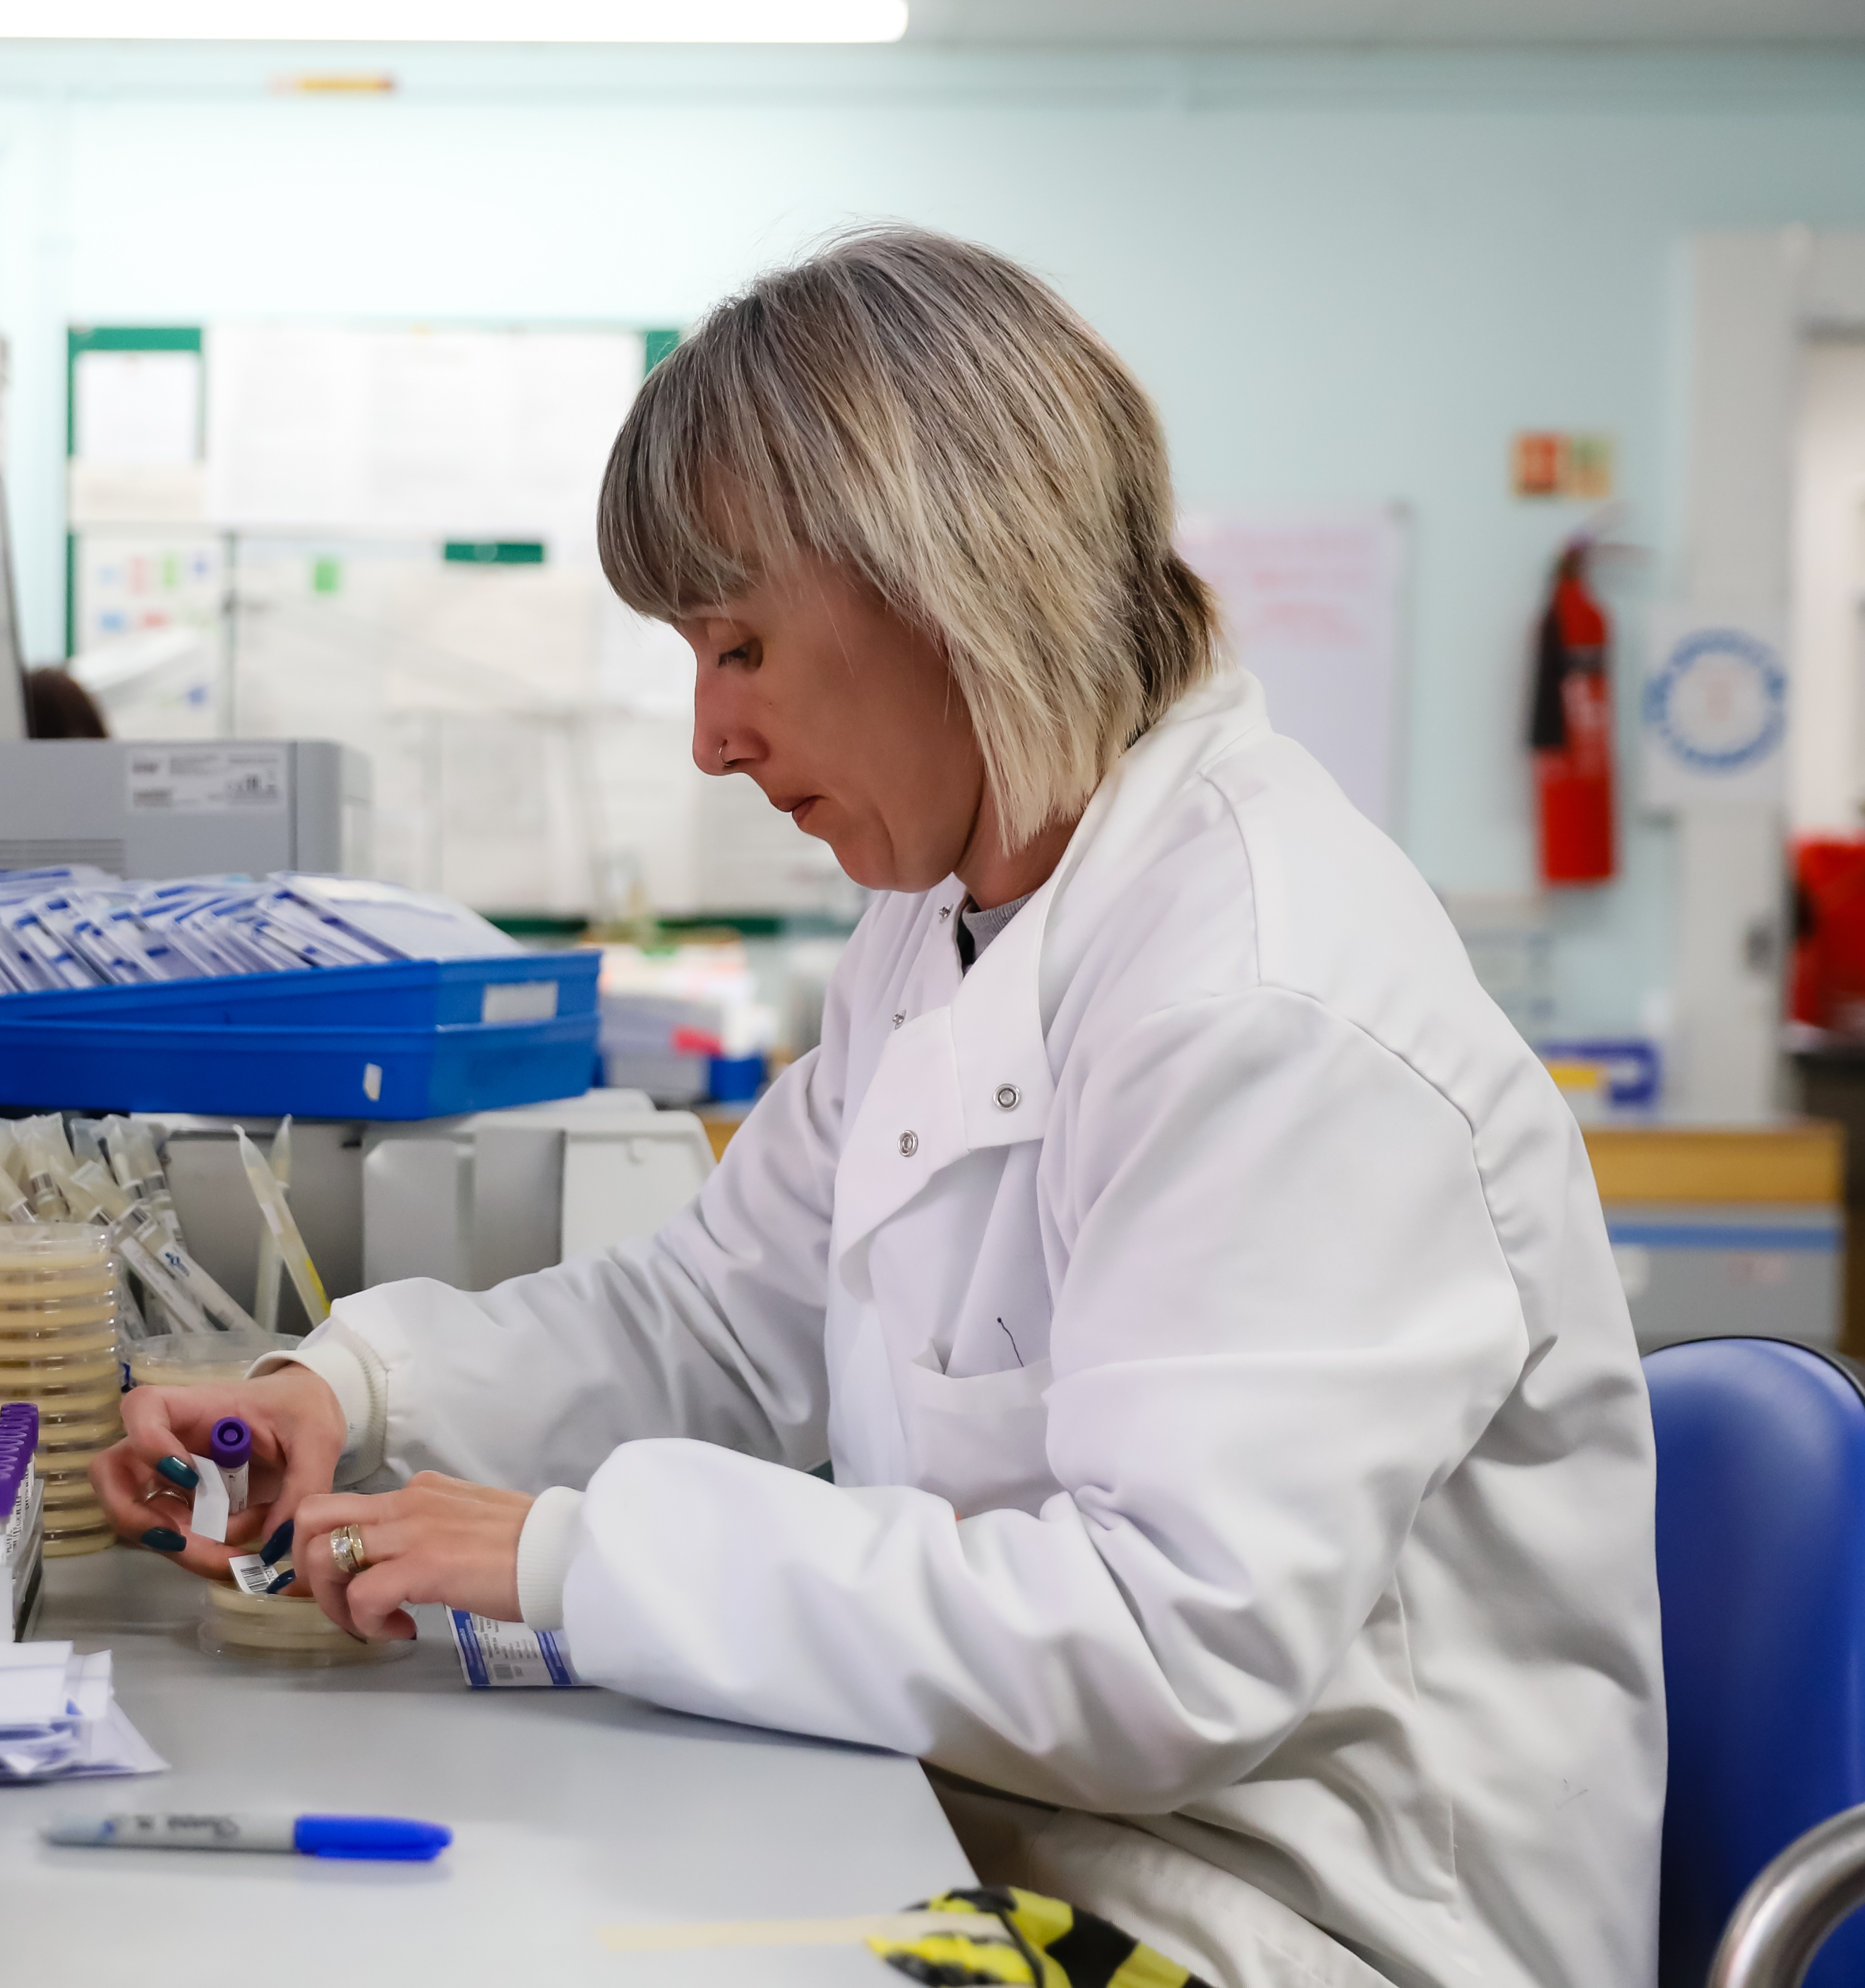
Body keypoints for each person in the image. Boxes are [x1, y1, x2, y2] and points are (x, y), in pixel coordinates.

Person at [88, 225, 1658, 1988]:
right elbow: (718, 1315)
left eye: (740, 643)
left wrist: (566, 1555)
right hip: (1010, 1824)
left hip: (1296, 1922)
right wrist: (355, 1390)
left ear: (952, 581)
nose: (709, 736)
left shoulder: (1259, 996)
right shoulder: (949, 917)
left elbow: (1169, 1650)